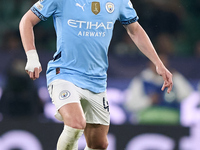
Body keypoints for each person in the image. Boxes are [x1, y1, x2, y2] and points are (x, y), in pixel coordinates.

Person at [19, 0, 173, 149]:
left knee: (99, 144)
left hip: (96, 80)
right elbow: (26, 21)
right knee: (75, 124)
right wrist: (32, 57)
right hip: (65, 73)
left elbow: (135, 30)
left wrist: (158, 63)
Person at [124, 54, 193, 124]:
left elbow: (188, 97)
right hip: (146, 122)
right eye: (156, 62)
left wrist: (177, 78)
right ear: (150, 63)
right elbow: (130, 105)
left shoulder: (175, 78)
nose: (160, 66)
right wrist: (149, 101)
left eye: (163, 63)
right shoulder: (140, 80)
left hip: (171, 121)